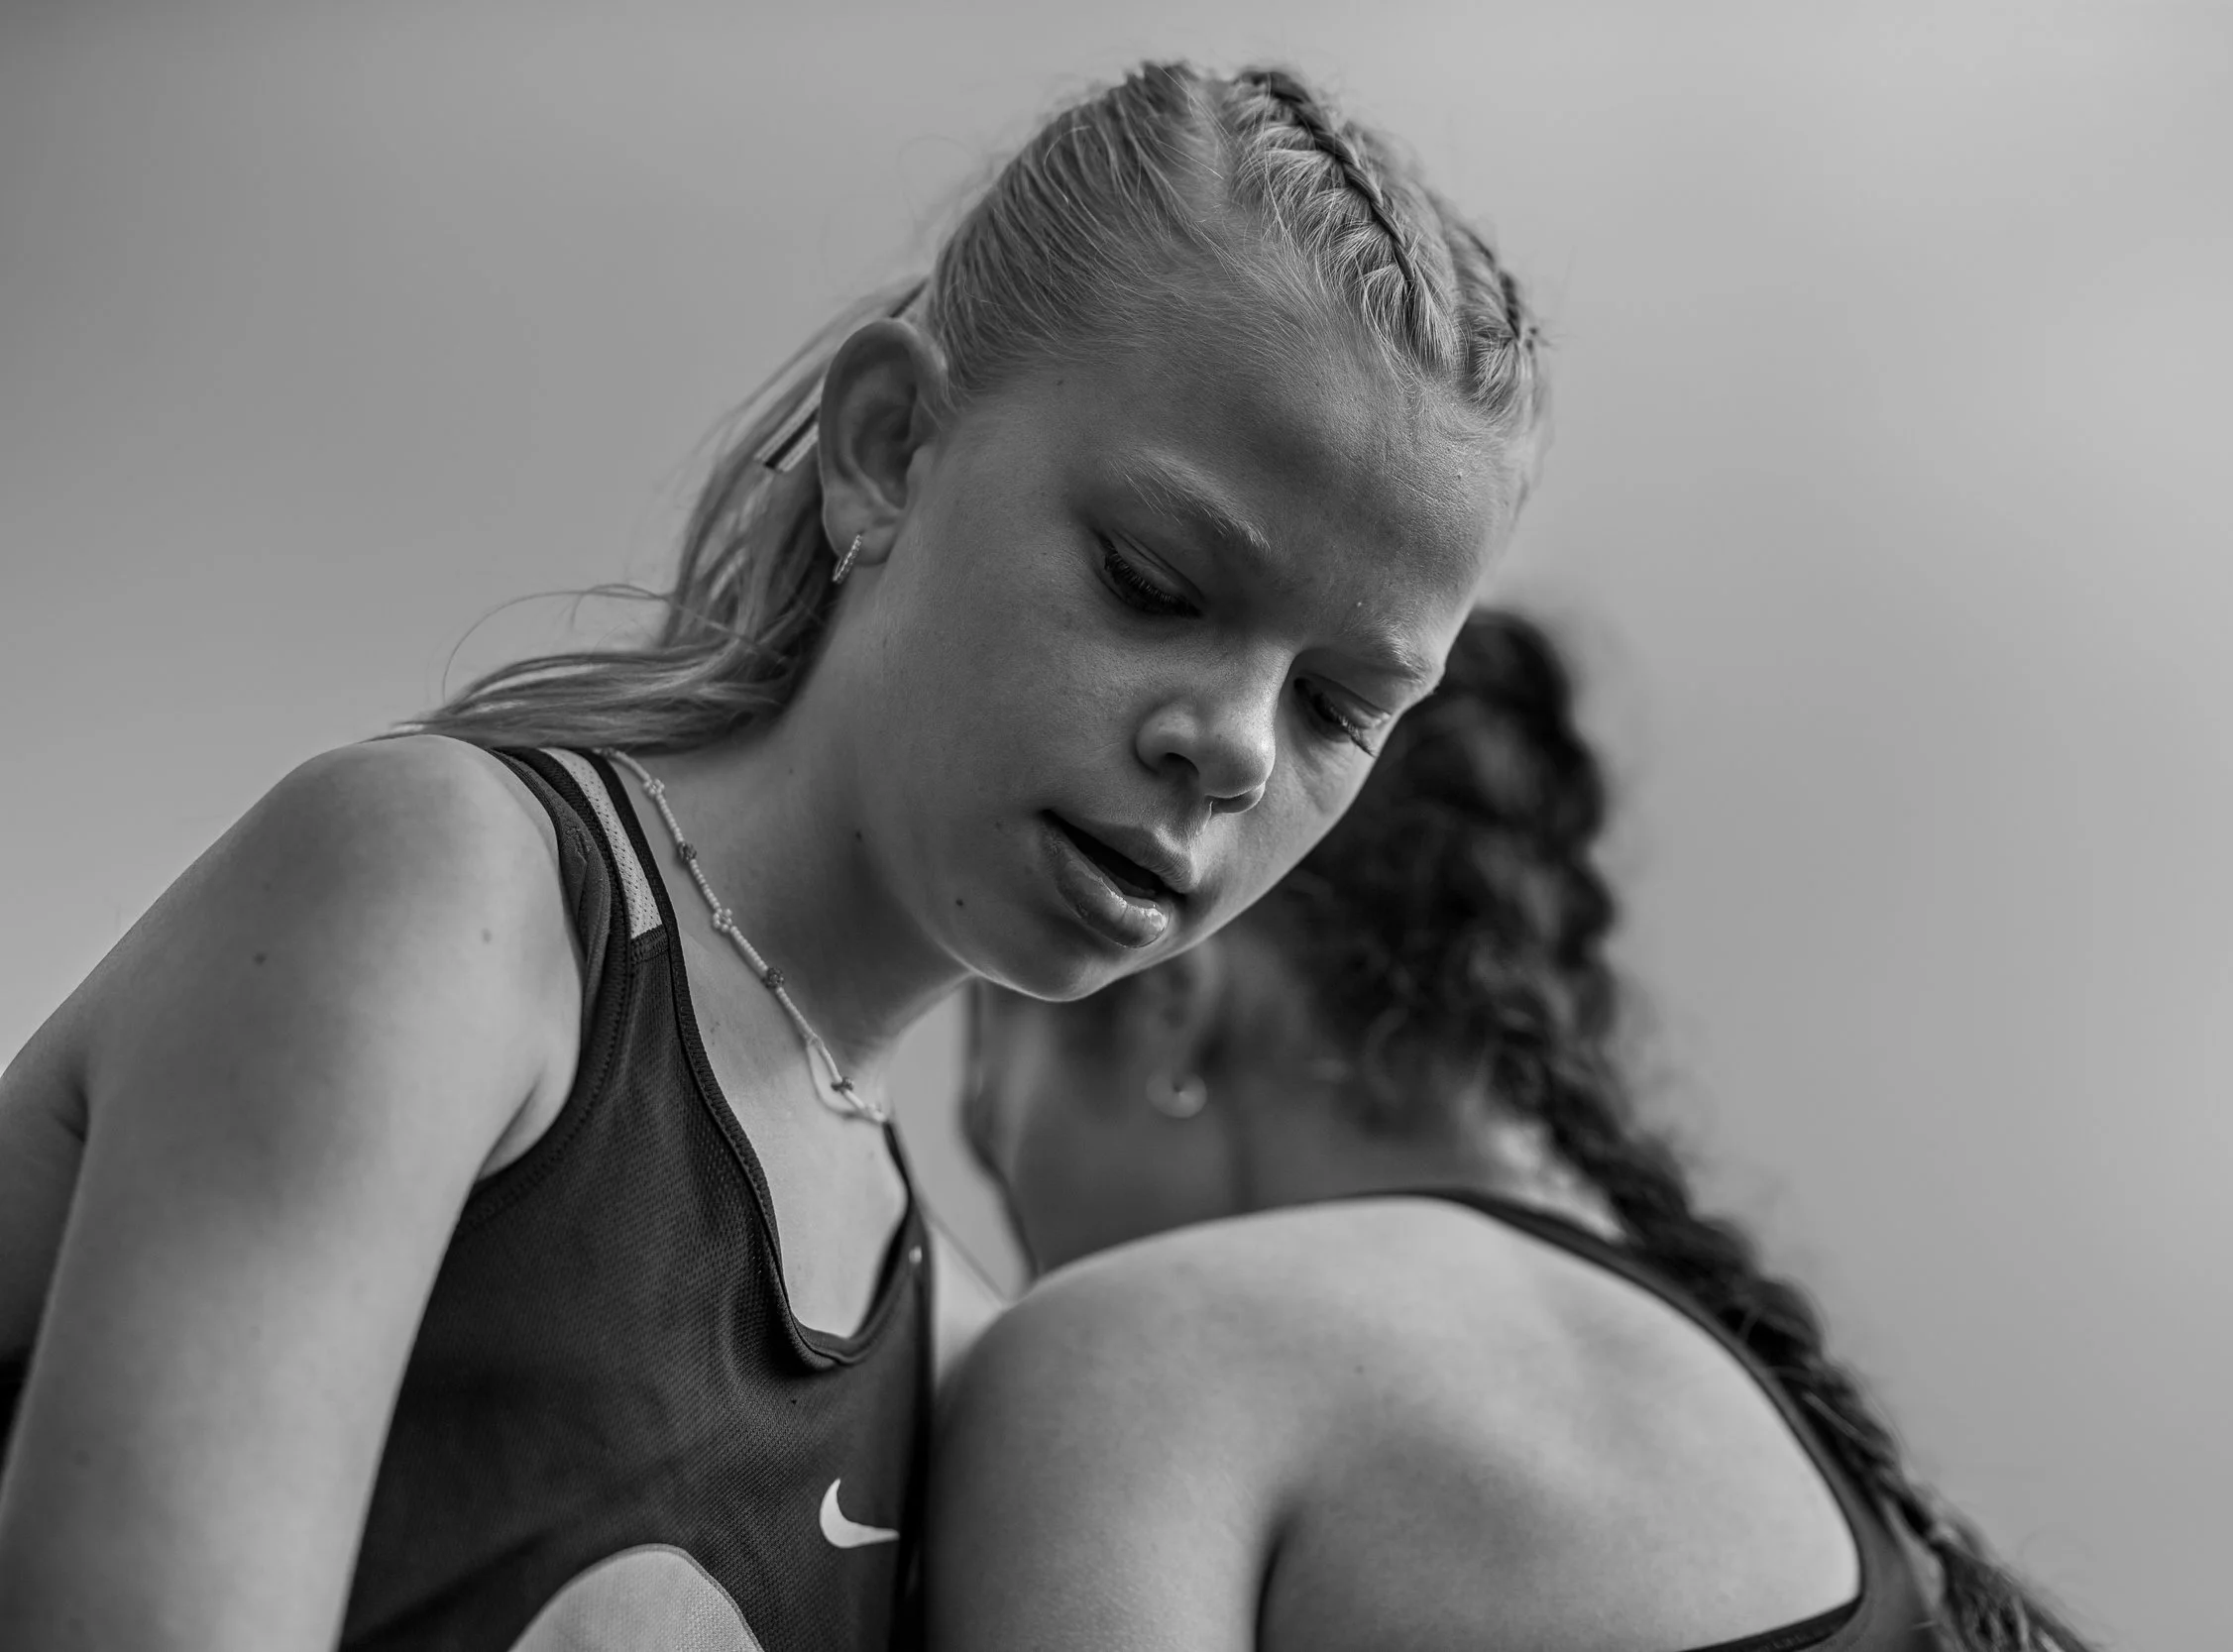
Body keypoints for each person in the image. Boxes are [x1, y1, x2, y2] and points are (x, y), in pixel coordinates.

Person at [0, 62, 1544, 1652]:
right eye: (1154, 581)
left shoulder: (946, 1340)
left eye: (1343, 704)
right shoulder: (441, 897)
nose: (1233, 747)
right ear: (885, 449)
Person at [941, 608, 2092, 1652]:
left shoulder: (1144, 1358)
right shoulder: (1821, 1481)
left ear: (1165, 1001)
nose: (1017, 1231)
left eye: (995, 1132)